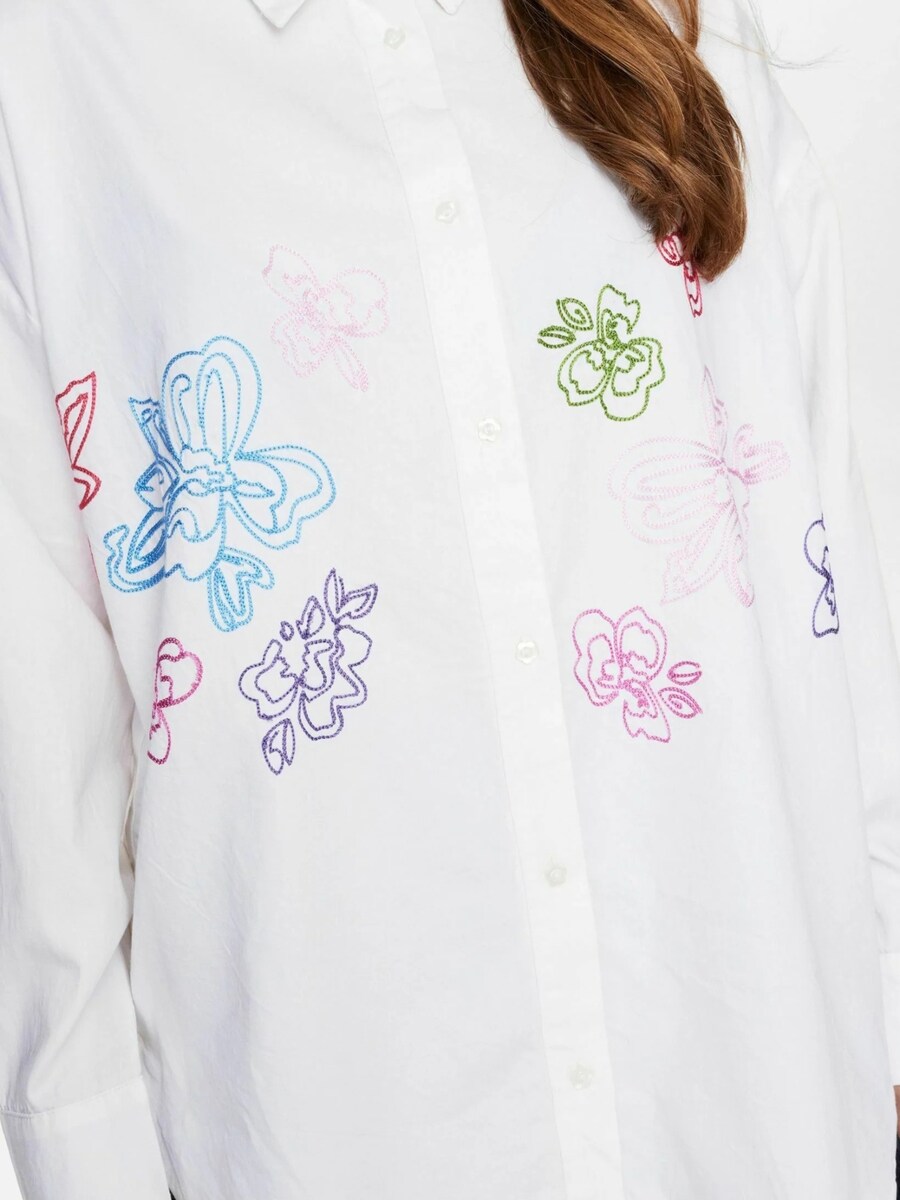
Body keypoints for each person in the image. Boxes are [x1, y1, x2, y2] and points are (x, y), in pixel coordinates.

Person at [0, 0, 898, 1195]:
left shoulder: (682, 26)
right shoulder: (63, 64)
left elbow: (824, 593)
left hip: (759, 1114)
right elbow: (38, 773)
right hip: (343, 1127)